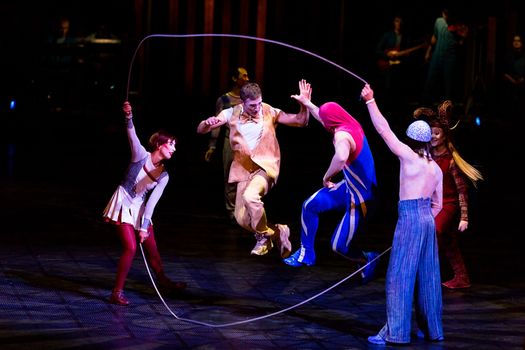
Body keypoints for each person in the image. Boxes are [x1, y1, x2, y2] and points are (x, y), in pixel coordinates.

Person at [361, 84, 444, 345]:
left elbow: (384, 130)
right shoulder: (436, 169)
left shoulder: (408, 157)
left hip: (410, 217)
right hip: (427, 220)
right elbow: (438, 205)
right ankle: (433, 330)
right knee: (428, 276)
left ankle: (394, 332)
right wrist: (424, 220)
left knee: (399, 275)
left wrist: (370, 101)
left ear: (411, 139)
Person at [196, 80, 311, 258]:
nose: (257, 108)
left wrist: (305, 105)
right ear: (242, 102)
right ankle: (278, 232)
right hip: (243, 171)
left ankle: (263, 238)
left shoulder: (269, 111)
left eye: (259, 103)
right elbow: (201, 130)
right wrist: (207, 122)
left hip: (265, 167)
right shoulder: (230, 113)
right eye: (252, 105)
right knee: (242, 220)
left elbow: (300, 121)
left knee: (251, 197)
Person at [282, 99, 379, 282]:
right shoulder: (350, 123)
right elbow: (324, 116)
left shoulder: (342, 135)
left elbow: (341, 157)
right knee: (310, 205)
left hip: (362, 199)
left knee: (338, 245)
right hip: (349, 188)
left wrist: (326, 177)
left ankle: (367, 259)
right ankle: (306, 254)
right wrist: (308, 104)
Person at [103, 101, 187, 306]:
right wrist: (129, 116)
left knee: (152, 246)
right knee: (130, 248)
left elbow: (152, 203)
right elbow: (131, 134)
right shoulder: (140, 155)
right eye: (171, 144)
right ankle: (117, 292)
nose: (174, 149)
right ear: (160, 144)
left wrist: (143, 227)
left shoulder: (164, 175)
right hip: (123, 203)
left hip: (140, 208)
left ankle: (164, 282)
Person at [417, 100, 483, 289]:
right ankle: (462, 277)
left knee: (434, 232)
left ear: (445, 135)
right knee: (449, 242)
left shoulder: (451, 161)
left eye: (437, 133)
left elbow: (462, 190)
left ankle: (427, 276)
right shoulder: (426, 155)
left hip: (449, 205)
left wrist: (464, 217)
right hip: (432, 203)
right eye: (431, 133)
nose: (433, 136)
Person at [204, 67, 250, 223]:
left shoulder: (248, 99)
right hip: (229, 141)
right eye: (243, 76)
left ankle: (244, 211)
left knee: (246, 178)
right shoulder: (224, 100)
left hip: (247, 143)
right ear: (234, 79)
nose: (247, 78)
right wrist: (212, 146)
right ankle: (232, 213)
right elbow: (216, 124)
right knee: (230, 178)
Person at [422, 7, 468, 105]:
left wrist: (460, 36)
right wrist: (428, 52)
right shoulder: (439, 21)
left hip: (449, 58)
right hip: (437, 56)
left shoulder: (457, 25)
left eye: (448, 15)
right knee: (430, 82)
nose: (445, 17)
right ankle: (425, 107)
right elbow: (434, 37)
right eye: (444, 14)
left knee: (449, 86)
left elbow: (464, 38)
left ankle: (447, 111)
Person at [501, 34, 525, 122]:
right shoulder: (508, 56)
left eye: (518, 41)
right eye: (514, 40)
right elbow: (504, 72)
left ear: (521, 43)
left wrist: (522, 79)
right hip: (510, 84)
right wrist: (512, 80)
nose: (516, 42)